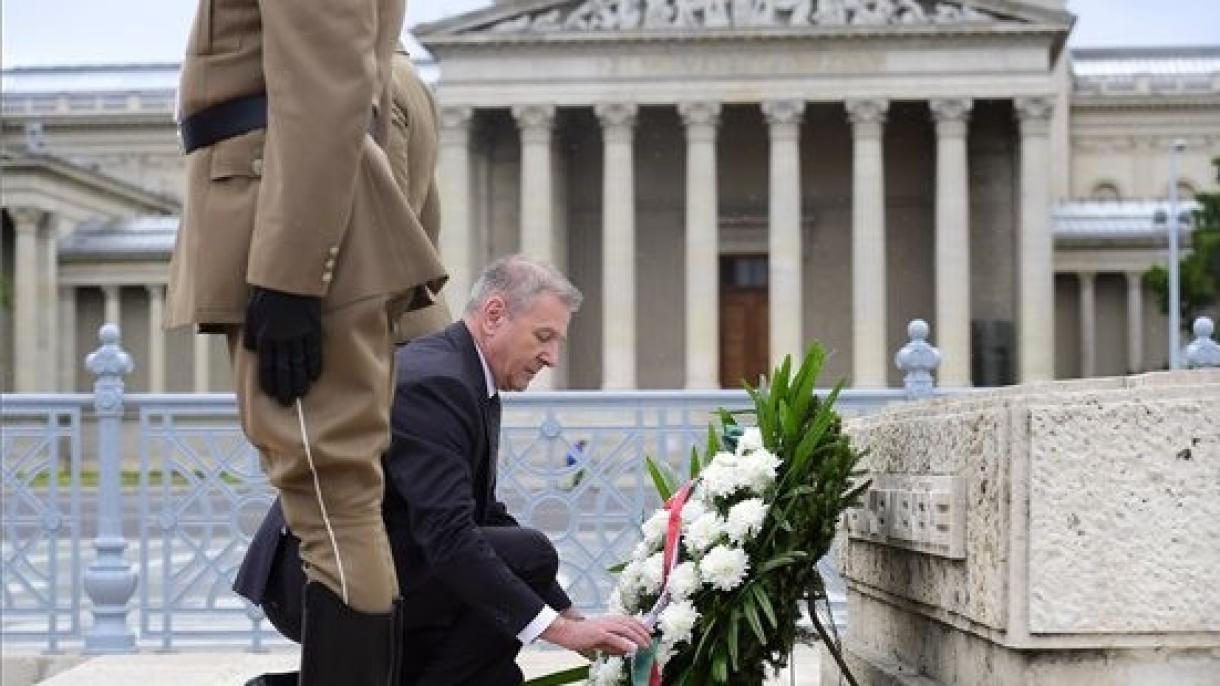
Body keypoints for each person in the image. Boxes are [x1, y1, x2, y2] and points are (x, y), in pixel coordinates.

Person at [165, 1, 446, 684]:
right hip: (294, 215)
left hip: (289, 225)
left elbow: (326, 86)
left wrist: (291, 276)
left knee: (330, 498)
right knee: (334, 497)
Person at [235, 255, 651, 685]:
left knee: (491, 670)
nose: (552, 357)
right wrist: (563, 632)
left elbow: (483, 515)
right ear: (494, 316)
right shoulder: (439, 382)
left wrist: (572, 620)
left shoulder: (467, 374)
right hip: (319, 577)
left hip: (384, 561)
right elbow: (450, 536)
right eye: (544, 337)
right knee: (529, 556)